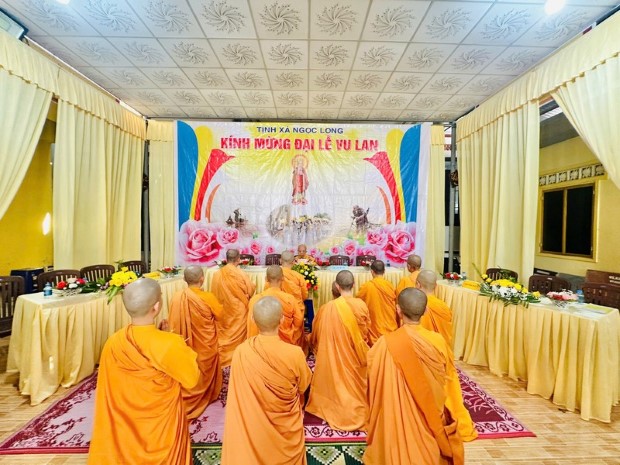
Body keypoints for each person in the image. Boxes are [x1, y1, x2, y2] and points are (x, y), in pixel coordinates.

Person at [88, 279, 200, 465]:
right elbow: (192, 379)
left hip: (124, 430)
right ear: (156, 307)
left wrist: (163, 337)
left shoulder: (113, 342)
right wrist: (170, 339)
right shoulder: (168, 344)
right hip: (159, 431)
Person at [364, 288, 464, 465]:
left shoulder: (383, 344)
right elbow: (446, 376)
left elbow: (373, 380)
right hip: (430, 415)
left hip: (394, 419)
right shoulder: (438, 341)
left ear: (398, 310)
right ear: (426, 311)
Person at [222, 296, 312, 465]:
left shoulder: (241, 351)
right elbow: (303, 386)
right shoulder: (295, 353)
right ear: (282, 319)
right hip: (286, 425)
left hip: (253, 424)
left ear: (252, 319)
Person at [417, 269, 478, 442]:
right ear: (436, 286)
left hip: (423, 354)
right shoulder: (443, 307)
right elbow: (446, 334)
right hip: (442, 353)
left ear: (418, 285)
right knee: (448, 389)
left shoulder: (417, 307)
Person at [306, 270, 370, 431]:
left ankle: (333, 403)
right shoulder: (361, 306)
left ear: (336, 286)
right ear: (353, 285)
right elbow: (365, 334)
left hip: (332, 360)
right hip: (355, 358)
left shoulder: (326, 308)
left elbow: (316, 335)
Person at [167, 265, 222, 419]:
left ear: (184, 279)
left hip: (184, 344)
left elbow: (173, 323)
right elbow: (220, 315)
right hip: (206, 344)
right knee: (204, 363)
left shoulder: (177, 297)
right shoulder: (208, 297)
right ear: (202, 279)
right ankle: (205, 392)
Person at [211, 248, 256, 366]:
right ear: (238, 259)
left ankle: (224, 358)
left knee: (224, 334)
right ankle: (238, 357)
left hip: (223, 310)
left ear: (226, 259)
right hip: (238, 311)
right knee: (238, 334)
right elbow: (251, 290)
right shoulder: (241, 274)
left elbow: (214, 293)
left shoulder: (216, 274)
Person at [247, 265, 304, 347]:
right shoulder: (290, 299)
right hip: (284, 343)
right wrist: (289, 332)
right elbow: (298, 320)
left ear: (266, 279)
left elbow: (251, 323)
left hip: (261, 344)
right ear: (283, 278)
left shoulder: (255, 300)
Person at [356, 260, 397, 345]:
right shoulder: (390, 286)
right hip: (390, 328)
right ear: (384, 271)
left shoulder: (366, 287)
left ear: (372, 272)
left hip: (374, 330)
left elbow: (358, 302)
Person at [272, 250, 308, 328]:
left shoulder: (274, 276)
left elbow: (268, 293)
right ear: (294, 262)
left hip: (279, 310)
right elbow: (304, 295)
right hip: (296, 310)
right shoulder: (298, 277)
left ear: (280, 260)